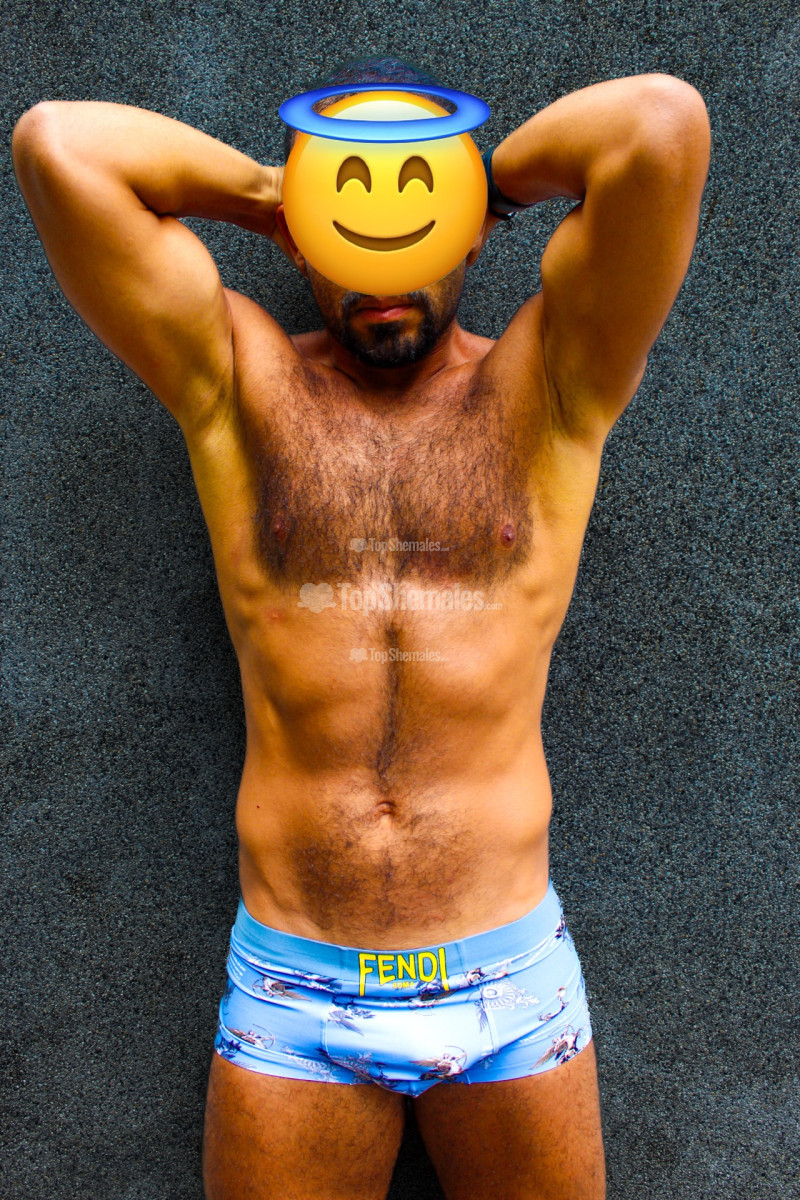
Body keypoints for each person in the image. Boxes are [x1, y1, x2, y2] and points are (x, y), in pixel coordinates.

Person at [12, 55, 710, 1200]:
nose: (383, 248)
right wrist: (275, 195)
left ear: (463, 228)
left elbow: (657, 122)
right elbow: (56, 143)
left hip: (505, 982)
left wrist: (482, 187)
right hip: (296, 990)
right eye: (352, 201)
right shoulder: (235, 382)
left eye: (413, 199)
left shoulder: (552, 383)